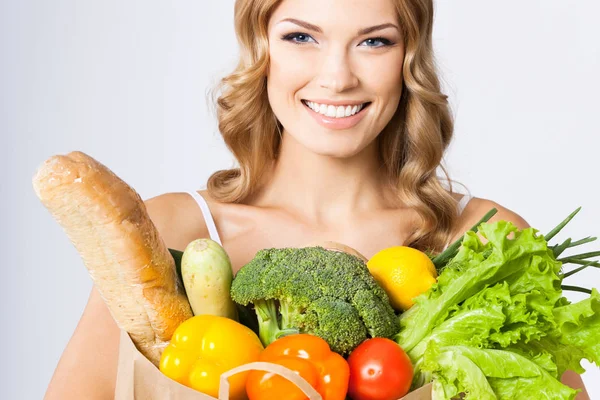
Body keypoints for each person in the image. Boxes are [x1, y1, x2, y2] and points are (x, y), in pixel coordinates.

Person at [44, 0, 590, 398]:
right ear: (261, 50)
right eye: (301, 37)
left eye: (374, 40)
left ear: (410, 58)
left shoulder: (485, 241)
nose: (336, 77)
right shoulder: (175, 229)